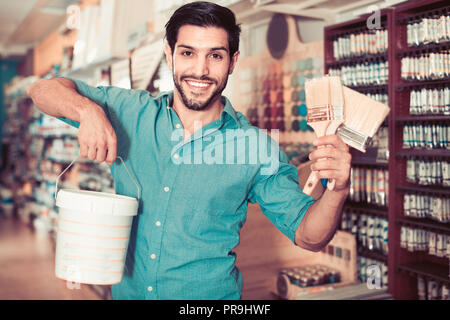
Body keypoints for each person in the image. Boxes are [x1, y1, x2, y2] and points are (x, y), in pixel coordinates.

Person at [28, 1, 351, 300]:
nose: (200, 70)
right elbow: (42, 89)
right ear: (169, 55)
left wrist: (338, 189)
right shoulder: (130, 112)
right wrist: (88, 111)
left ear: (232, 62)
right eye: (187, 53)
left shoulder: (255, 148)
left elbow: (310, 236)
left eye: (215, 55)